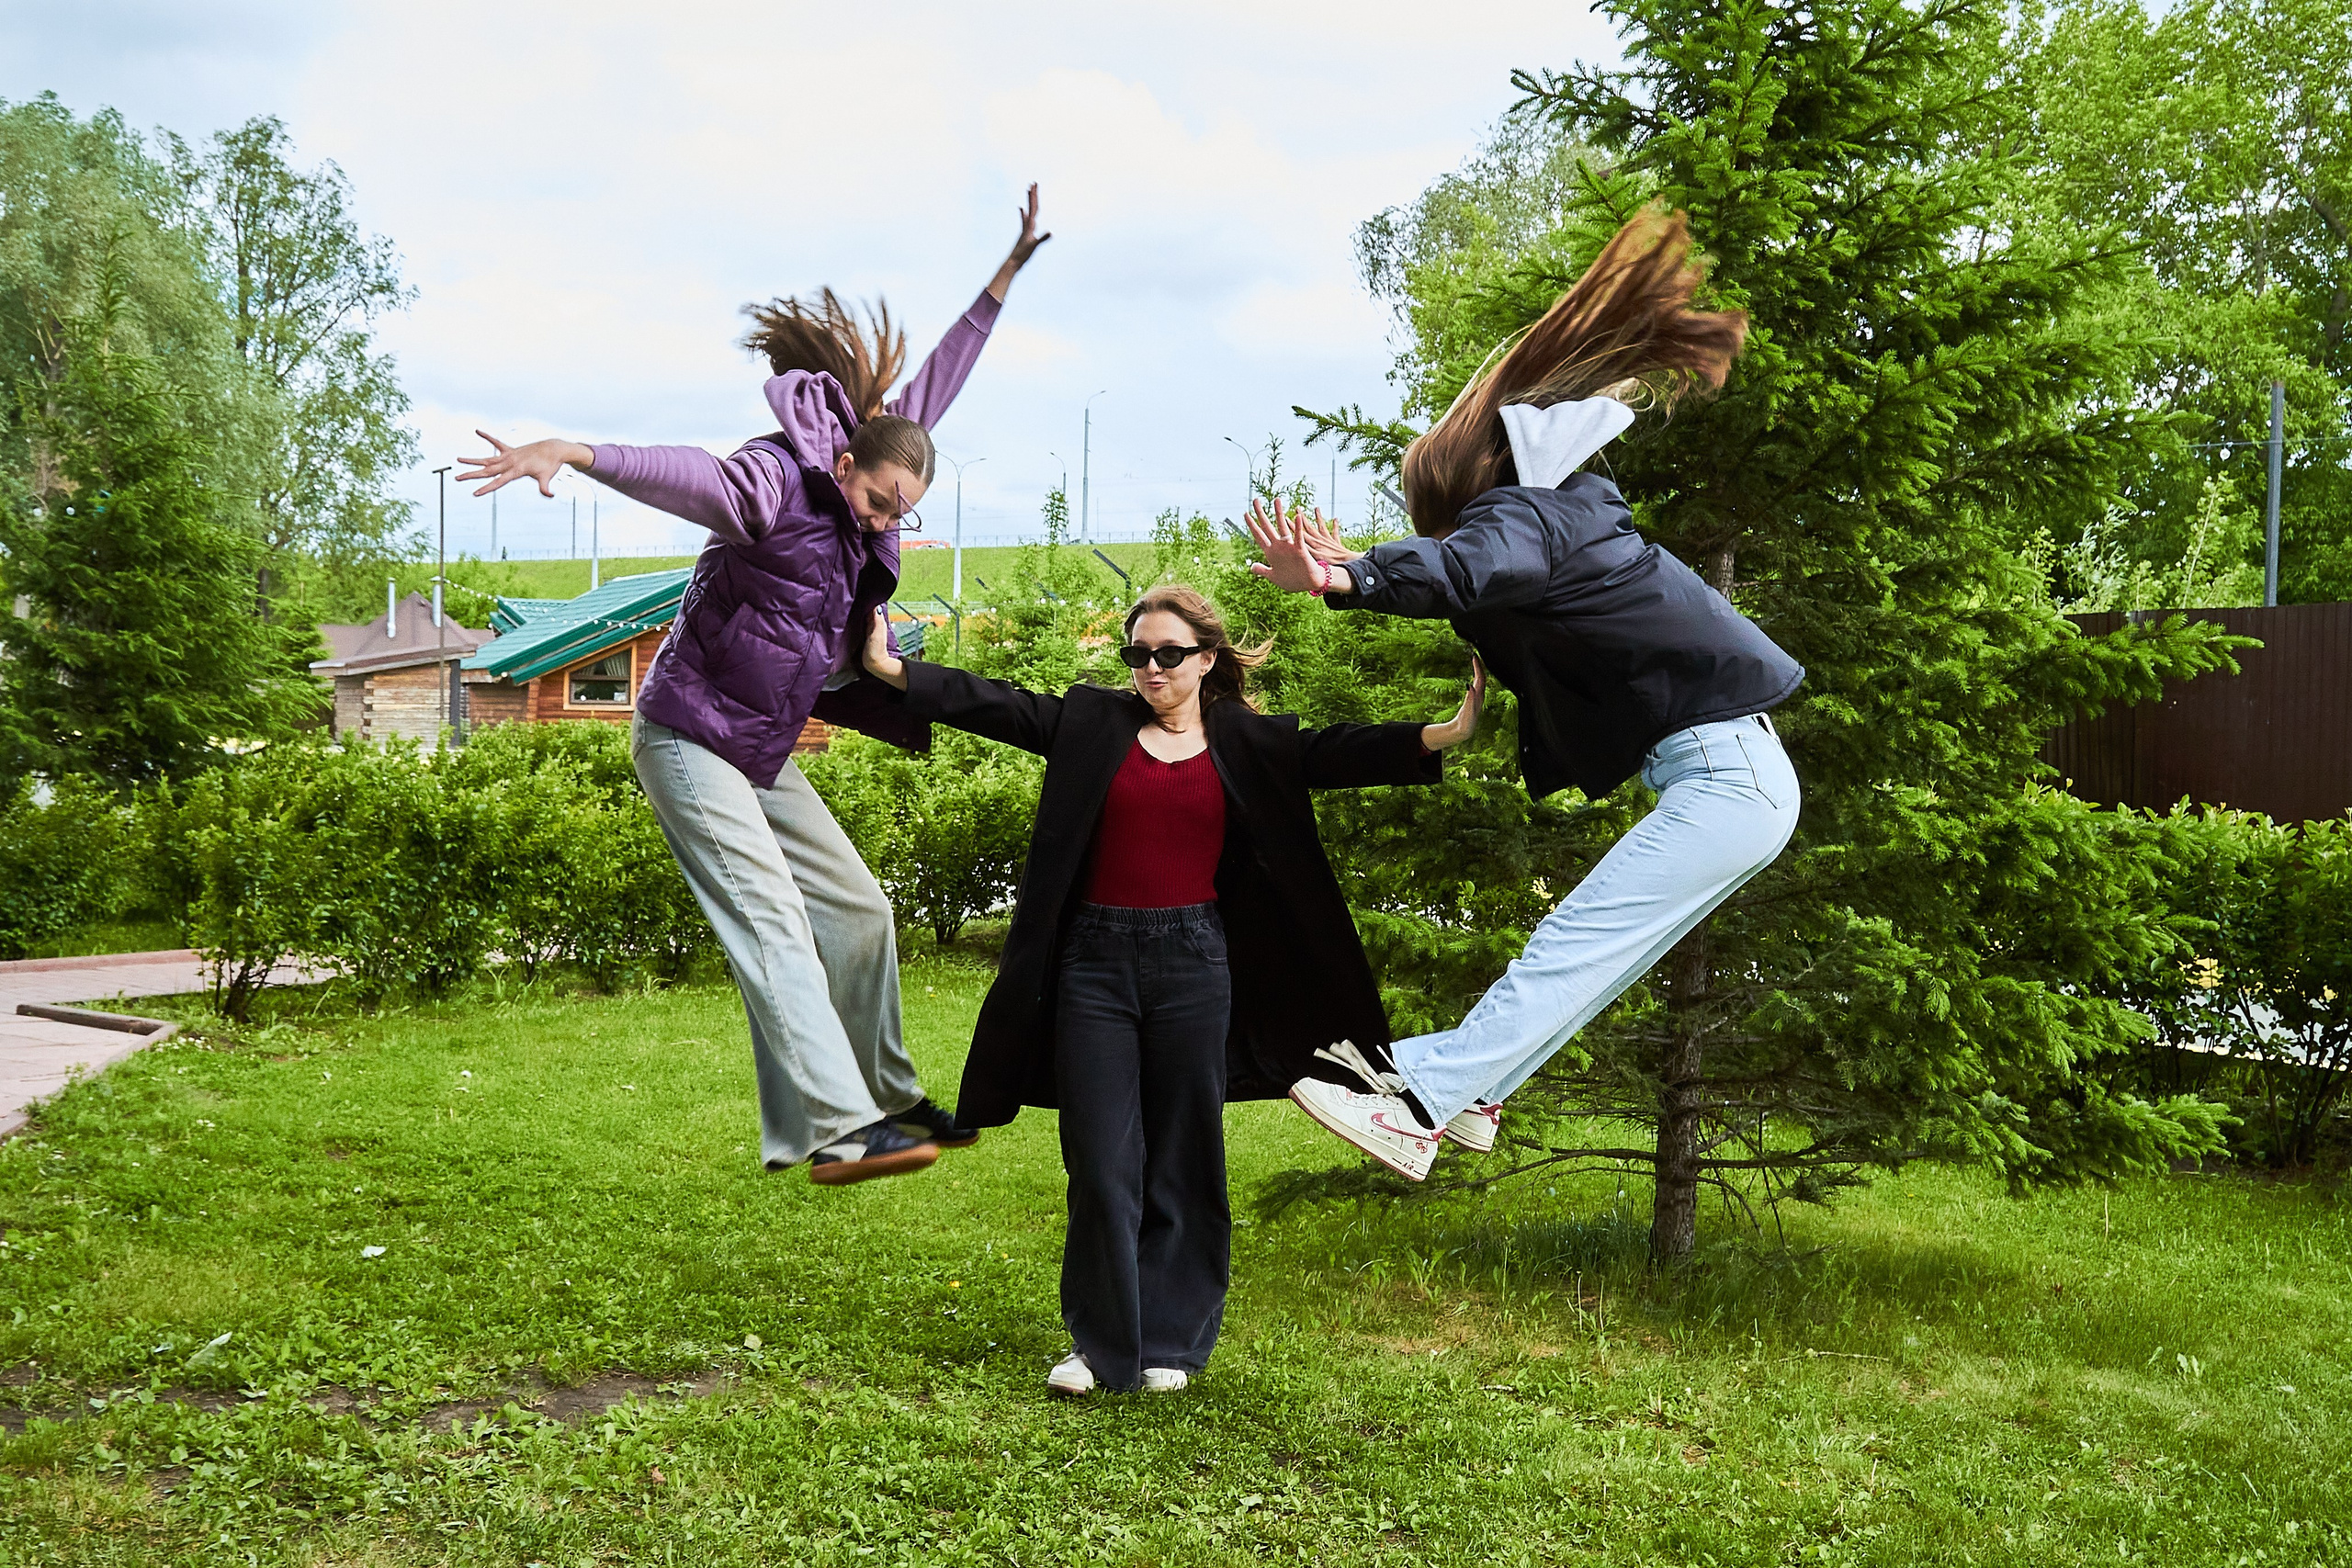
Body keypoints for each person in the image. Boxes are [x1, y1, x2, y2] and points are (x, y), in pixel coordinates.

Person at [455, 186, 1052, 1186]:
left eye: (897, 512)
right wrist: (570, 449)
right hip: (689, 739)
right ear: (843, 458)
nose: (877, 522)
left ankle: (892, 1097)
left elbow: (943, 374)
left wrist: (1006, 272)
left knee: (860, 909)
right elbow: (679, 473)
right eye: (872, 500)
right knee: (772, 918)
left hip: (759, 746)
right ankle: (835, 1126)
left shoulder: (886, 459)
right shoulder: (771, 483)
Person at [1247, 209, 1804, 1182]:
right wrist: (1370, 566)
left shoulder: (1527, 518)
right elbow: (1468, 576)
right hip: (1735, 779)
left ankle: (1417, 1101)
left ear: (1468, 495)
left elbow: (1464, 567)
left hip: (1726, 778)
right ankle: (1479, 1095)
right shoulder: (1562, 521)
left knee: (1574, 942)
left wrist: (1347, 579)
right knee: (1601, 955)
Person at [859, 586, 1483, 1393]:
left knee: (1187, 1154)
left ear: (1207, 659)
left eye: (1169, 655)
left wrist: (1449, 731)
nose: (1151, 670)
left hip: (1196, 963)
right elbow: (999, 705)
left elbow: (1336, 751)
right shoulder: (1093, 724)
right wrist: (888, 667)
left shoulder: (1245, 740)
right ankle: (1099, 1346)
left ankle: (1171, 1345)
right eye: (1138, 655)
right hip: (1094, 966)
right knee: (1101, 1157)